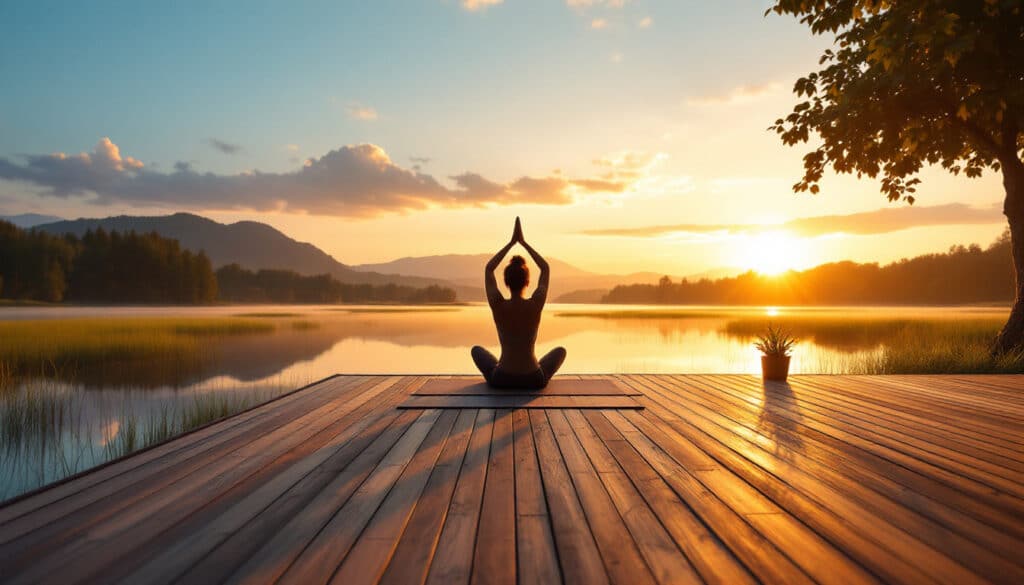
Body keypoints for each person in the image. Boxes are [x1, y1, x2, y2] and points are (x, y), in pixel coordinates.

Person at [471, 217, 567, 389]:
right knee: (560, 351)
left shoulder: (498, 304)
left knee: (476, 351)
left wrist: (511, 243)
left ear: (506, 282)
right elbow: (545, 268)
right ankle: (533, 367)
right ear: (527, 282)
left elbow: (489, 268)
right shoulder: (535, 304)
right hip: (533, 379)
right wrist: (523, 243)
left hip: (502, 379)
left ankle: (503, 369)